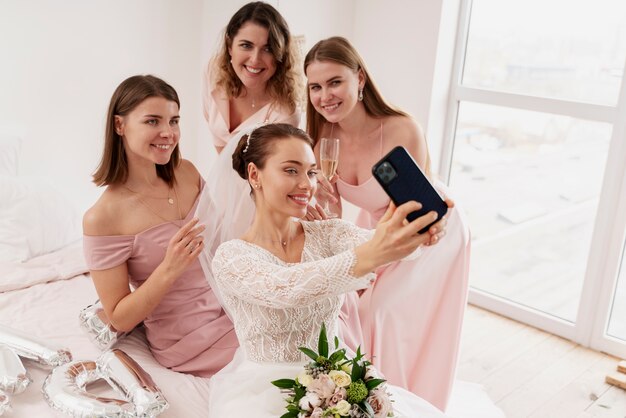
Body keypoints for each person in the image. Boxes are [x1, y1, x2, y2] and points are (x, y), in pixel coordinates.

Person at [207, 123, 451, 417]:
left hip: (337, 379)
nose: (306, 184)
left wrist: (418, 234)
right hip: (265, 390)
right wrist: (370, 254)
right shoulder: (231, 257)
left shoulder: (328, 234)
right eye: (291, 170)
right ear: (254, 175)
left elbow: (386, 247)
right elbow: (286, 288)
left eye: (311, 172)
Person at [304, 36, 471, 410]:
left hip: (428, 228)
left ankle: (403, 402)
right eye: (315, 86)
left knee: (382, 313)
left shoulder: (400, 128)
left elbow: (419, 200)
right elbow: (332, 211)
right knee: (350, 309)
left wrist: (375, 253)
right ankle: (369, 401)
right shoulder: (320, 139)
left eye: (335, 82)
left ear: (359, 79)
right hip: (378, 228)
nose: (325, 95)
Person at [82, 75, 237, 377]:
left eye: (174, 121)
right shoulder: (103, 217)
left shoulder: (187, 172)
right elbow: (119, 318)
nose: (167, 133)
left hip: (232, 306)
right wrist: (169, 268)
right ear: (119, 126)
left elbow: (224, 240)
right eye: (152, 121)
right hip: (188, 338)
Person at [200, 1, 303, 251]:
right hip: (221, 195)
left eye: (267, 49)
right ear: (229, 44)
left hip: (259, 205)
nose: (255, 59)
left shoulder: (284, 111)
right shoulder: (214, 76)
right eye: (246, 45)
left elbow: (270, 182)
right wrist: (222, 202)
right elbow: (223, 151)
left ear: (280, 55)